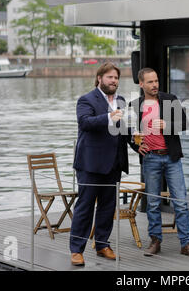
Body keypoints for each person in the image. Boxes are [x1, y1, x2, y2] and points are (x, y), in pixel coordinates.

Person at [128, 67, 189, 259]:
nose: (155, 85)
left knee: (181, 202)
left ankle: (187, 244)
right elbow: (127, 132)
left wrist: (167, 125)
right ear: (141, 84)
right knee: (152, 203)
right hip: (150, 158)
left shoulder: (170, 99)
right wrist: (137, 147)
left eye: (156, 81)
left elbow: (185, 124)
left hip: (172, 158)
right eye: (150, 82)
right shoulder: (135, 105)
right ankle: (155, 241)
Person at [70, 62, 129, 266]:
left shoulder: (120, 100)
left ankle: (102, 245)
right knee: (85, 207)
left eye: (116, 78)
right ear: (99, 78)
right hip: (90, 164)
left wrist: (134, 136)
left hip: (114, 164)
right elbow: (85, 122)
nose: (114, 81)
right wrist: (109, 116)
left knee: (107, 207)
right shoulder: (86, 99)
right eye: (110, 77)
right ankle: (76, 250)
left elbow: (121, 128)